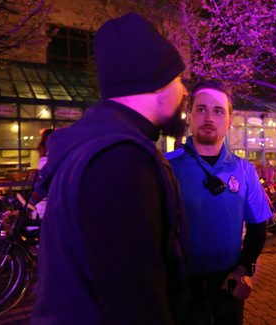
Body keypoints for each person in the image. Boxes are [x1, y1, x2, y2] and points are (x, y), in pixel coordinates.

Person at [32, 13, 189, 325]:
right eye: (179, 79)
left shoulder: (96, 145)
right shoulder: (121, 161)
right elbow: (134, 304)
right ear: (155, 81)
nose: (185, 91)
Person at [166, 80, 271, 325]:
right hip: (180, 288)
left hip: (227, 286)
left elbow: (258, 226)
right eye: (201, 109)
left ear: (229, 120)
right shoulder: (167, 167)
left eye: (218, 111)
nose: (209, 117)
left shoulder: (244, 170)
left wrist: (245, 266)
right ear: (189, 115)